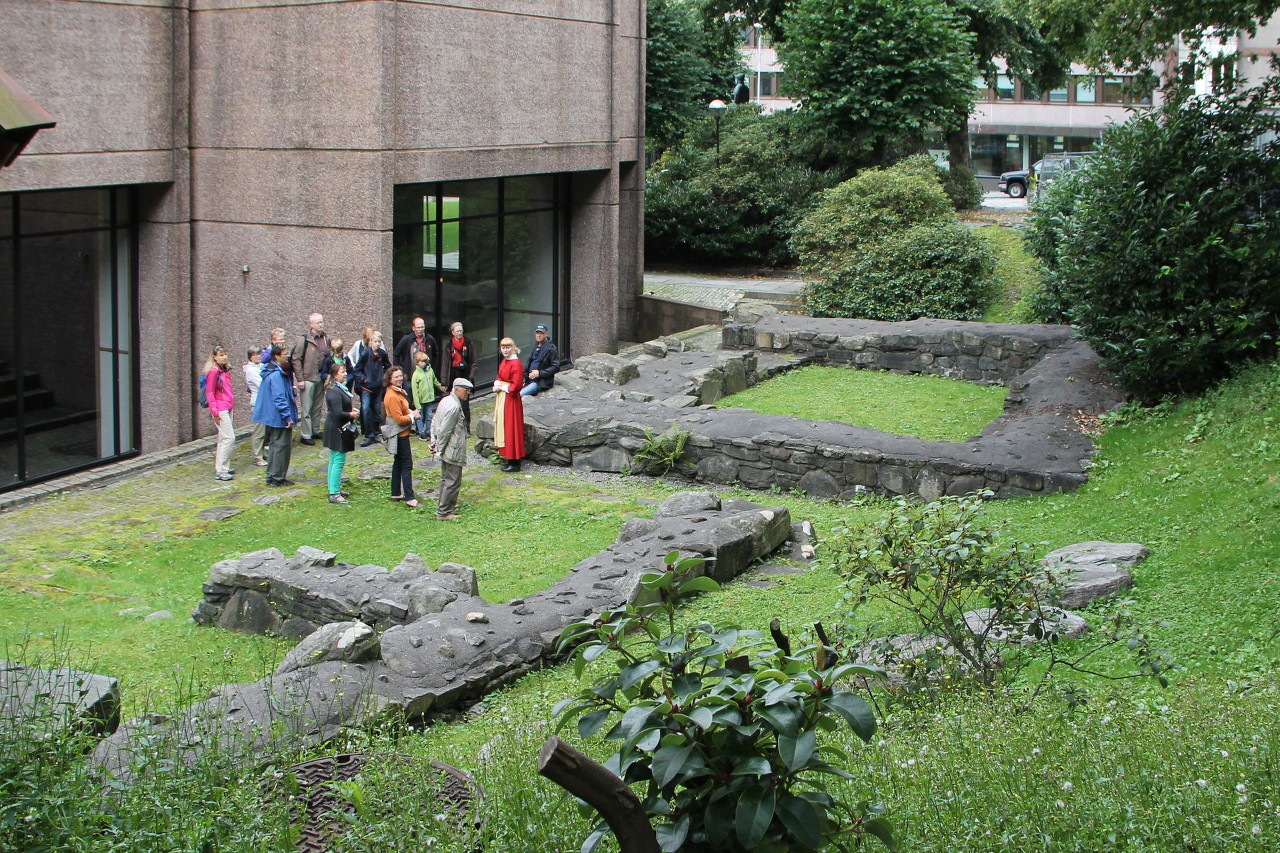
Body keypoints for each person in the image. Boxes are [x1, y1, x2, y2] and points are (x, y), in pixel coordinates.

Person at [252, 344, 298, 486]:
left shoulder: (270, 371)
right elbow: (279, 397)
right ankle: (277, 478)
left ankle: (271, 475)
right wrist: (287, 416)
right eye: (285, 355)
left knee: (274, 445)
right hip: (278, 417)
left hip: (272, 416)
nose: (288, 357)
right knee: (281, 446)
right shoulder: (277, 375)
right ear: (277, 356)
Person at [430, 377, 472, 520]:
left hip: (446, 447)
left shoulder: (445, 401)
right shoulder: (454, 407)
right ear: (457, 389)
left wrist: (434, 442)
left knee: (445, 478)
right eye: (466, 391)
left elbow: (435, 422)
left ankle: (445, 505)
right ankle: (444, 512)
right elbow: (445, 431)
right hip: (452, 449)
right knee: (453, 480)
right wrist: (439, 448)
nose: (468, 393)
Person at [383, 365, 421, 508]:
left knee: (398, 463)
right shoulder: (392, 395)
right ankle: (410, 498)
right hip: (400, 434)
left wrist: (409, 411)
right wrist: (413, 416)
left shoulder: (397, 392)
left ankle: (395, 492)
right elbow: (399, 419)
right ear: (390, 379)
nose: (399, 378)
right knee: (406, 464)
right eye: (396, 377)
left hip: (400, 434)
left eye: (400, 375)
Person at [290, 312, 330, 445]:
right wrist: (300, 378)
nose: (321, 324)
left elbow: (328, 357)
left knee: (317, 405)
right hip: (308, 377)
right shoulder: (304, 339)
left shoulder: (325, 339)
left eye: (322, 321)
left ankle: (315, 430)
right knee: (307, 407)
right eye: (318, 322)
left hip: (321, 375)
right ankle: (306, 434)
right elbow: (296, 358)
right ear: (311, 324)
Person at [322, 361, 359, 504]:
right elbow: (338, 413)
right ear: (335, 374)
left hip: (336, 428)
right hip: (337, 429)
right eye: (342, 371)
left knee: (334, 459)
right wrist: (350, 414)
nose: (346, 373)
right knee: (338, 460)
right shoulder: (334, 391)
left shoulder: (337, 388)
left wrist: (350, 410)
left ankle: (334, 487)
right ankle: (334, 493)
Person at [492, 337, 526, 472]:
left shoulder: (516, 364)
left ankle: (514, 461)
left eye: (507, 347)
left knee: (511, 427)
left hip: (511, 400)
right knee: (504, 426)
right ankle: (509, 457)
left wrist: (503, 387)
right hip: (504, 398)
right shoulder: (505, 361)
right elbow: (500, 376)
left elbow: (516, 385)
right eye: (503, 348)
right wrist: (497, 382)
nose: (505, 350)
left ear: (513, 347)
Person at [203, 345, 236, 481]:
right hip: (220, 408)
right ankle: (221, 469)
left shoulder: (224, 370)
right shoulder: (214, 372)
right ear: (215, 357)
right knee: (229, 438)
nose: (224, 357)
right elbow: (210, 393)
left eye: (225, 354)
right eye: (221, 355)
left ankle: (223, 467)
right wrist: (215, 412)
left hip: (227, 406)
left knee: (223, 439)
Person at [355, 330, 390, 447]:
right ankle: (368, 434)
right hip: (366, 387)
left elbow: (388, 367)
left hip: (378, 387)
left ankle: (375, 433)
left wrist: (384, 377)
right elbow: (357, 369)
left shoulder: (383, 354)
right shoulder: (365, 354)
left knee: (376, 410)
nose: (378, 344)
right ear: (370, 342)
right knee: (365, 409)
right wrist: (363, 379)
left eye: (379, 341)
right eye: (375, 341)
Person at [440, 321, 476, 430]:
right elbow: (445, 364)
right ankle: (455, 426)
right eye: (457, 331)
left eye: (461, 331)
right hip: (453, 376)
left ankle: (466, 427)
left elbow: (474, 361)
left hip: (465, 376)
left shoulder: (468, 343)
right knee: (454, 403)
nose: (459, 333)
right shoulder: (449, 345)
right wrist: (444, 382)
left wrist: (471, 376)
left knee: (465, 403)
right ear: (452, 332)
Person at [394, 316, 438, 401]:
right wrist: (399, 370)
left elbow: (436, 354)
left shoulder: (429, 339)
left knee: (424, 402)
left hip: (425, 377)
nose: (420, 329)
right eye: (418, 327)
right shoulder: (407, 339)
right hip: (409, 377)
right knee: (408, 401)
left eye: (422, 327)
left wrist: (434, 369)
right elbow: (396, 354)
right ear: (413, 328)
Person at [410, 350, 443, 442]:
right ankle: (421, 432)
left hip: (429, 398)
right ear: (417, 362)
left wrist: (440, 387)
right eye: (422, 361)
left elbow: (434, 380)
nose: (424, 363)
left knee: (429, 415)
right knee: (420, 416)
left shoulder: (430, 370)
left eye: (425, 361)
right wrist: (417, 404)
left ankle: (428, 431)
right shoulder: (416, 375)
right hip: (420, 400)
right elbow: (415, 391)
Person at [242, 346, 267, 466]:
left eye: (259, 354)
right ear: (250, 357)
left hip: (264, 402)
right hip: (258, 402)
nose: (258, 356)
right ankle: (258, 456)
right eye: (255, 355)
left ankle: (262, 453)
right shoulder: (251, 370)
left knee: (265, 430)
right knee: (259, 431)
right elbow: (262, 384)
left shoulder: (260, 366)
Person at [520, 324, 560, 396]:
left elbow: (556, 367)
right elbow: (529, 360)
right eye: (537, 333)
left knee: (520, 394)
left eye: (541, 333)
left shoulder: (551, 348)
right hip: (528, 380)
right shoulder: (535, 345)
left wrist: (540, 373)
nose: (539, 335)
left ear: (546, 334)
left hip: (540, 382)